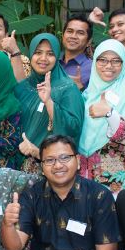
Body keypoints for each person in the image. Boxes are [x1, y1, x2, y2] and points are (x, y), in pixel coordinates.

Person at [0, 135, 119, 250]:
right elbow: (14, 247)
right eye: (49, 160)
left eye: (65, 158)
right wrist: (7, 224)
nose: (58, 165)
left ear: (78, 161)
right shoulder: (32, 195)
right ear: (42, 167)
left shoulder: (99, 196)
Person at [78, 39, 125, 197]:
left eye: (116, 61)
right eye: (102, 60)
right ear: (95, 61)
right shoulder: (87, 95)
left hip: (117, 182)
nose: (109, 66)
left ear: (123, 64)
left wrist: (110, 113)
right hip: (84, 177)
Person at [15, 33, 85, 173]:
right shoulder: (21, 88)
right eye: (38, 52)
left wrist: (48, 102)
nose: (43, 58)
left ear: (57, 56)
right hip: (18, 166)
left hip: (55, 168)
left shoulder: (68, 89)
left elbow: (73, 128)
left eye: (50, 54)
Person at [61, 13, 94, 90]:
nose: (73, 36)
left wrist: (81, 89)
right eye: (69, 31)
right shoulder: (52, 62)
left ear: (89, 41)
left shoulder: (93, 68)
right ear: (63, 36)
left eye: (80, 33)